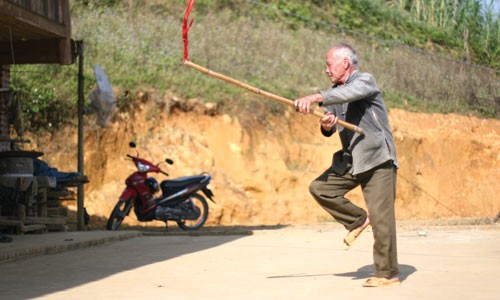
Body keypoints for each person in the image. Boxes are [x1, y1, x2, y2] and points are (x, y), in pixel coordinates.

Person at [294, 43, 400, 287]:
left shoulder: (365, 81)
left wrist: (314, 97)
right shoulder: (334, 93)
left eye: (329, 64)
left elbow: (348, 94)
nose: (326, 70)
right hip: (352, 161)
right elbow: (328, 127)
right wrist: (327, 124)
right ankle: (357, 220)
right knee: (320, 188)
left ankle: (388, 274)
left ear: (345, 63)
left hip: (377, 160)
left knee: (382, 220)